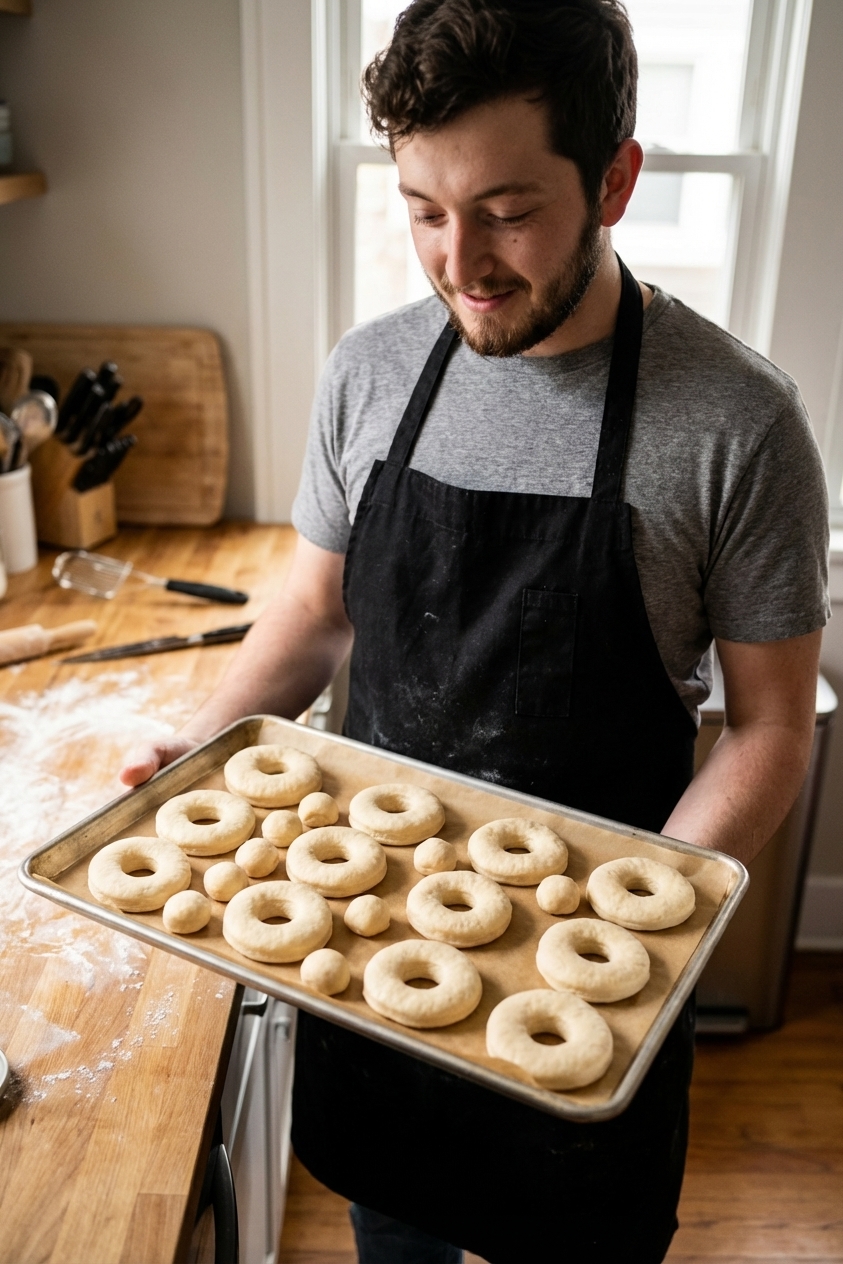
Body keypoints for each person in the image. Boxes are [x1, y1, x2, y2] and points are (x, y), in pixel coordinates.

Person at [122, 1, 829, 1259]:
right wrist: (196, 741)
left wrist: (641, 919)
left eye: (508, 210)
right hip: (371, 963)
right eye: (424, 210)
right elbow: (311, 609)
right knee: (392, 1230)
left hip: (588, 986)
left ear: (615, 179)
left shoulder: (739, 424)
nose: (461, 262)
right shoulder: (370, 372)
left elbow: (772, 723)